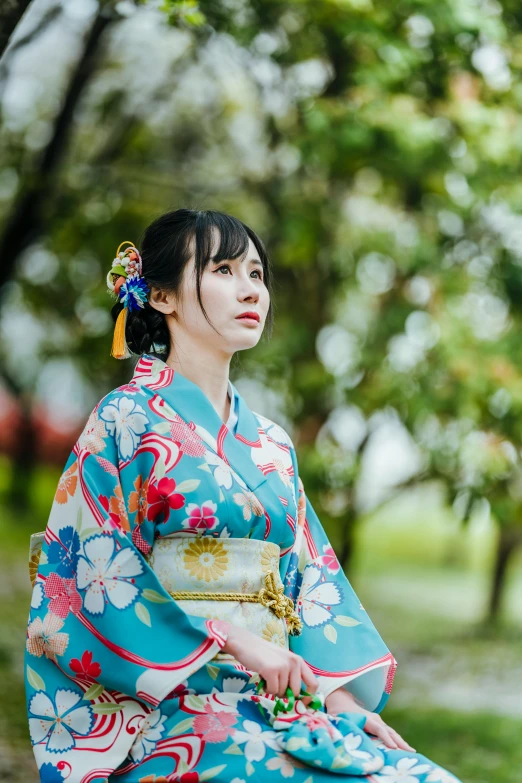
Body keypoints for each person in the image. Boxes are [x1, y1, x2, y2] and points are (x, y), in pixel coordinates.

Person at [24, 208, 461, 783]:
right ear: (160, 295)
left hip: (280, 701)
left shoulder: (272, 443)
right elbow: (88, 578)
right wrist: (232, 643)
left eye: (257, 274)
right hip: (171, 706)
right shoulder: (125, 418)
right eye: (224, 270)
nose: (250, 289)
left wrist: (341, 701)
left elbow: (308, 579)